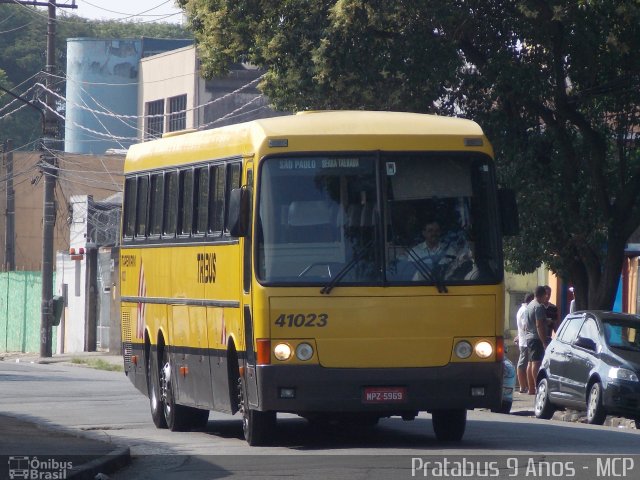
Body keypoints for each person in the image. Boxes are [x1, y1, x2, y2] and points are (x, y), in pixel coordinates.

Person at [525, 286, 549, 395]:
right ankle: (537, 385)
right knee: (537, 363)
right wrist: (544, 341)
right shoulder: (538, 307)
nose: (547, 297)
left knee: (530, 362)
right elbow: (539, 325)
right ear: (542, 295)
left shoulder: (529, 305)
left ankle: (531, 388)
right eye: (546, 295)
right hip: (536, 338)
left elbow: (526, 324)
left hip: (529, 337)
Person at [515, 292, 534, 393]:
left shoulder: (523, 309)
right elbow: (525, 326)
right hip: (525, 341)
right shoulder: (525, 310)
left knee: (527, 363)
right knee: (523, 363)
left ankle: (525, 385)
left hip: (525, 340)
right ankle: (522, 386)